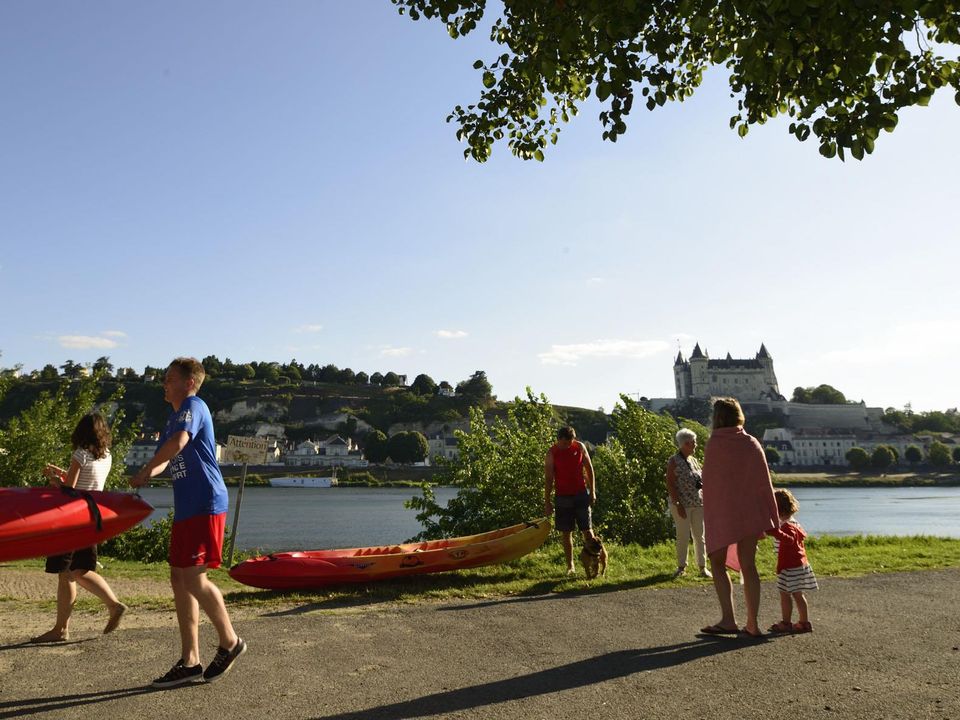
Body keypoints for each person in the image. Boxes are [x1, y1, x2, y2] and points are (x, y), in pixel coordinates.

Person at [131, 358, 246, 688]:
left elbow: (180, 442)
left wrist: (148, 468)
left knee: (194, 577)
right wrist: (146, 474)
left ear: (189, 383)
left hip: (205, 501)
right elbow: (165, 458)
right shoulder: (172, 419)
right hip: (187, 507)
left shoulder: (193, 407)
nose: (164, 384)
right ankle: (190, 660)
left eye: (170, 379)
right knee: (179, 577)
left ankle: (230, 641)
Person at [30, 413, 127, 643]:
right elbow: (87, 484)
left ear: (81, 431)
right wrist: (64, 473)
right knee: (79, 570)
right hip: (91, 518)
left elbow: (69, 491)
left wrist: (54, 479)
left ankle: (62, 629)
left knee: (66, 573)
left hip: (72, 520)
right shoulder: (106, 456)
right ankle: (112, 605)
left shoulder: (80, 454)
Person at [700, 397, 779, 637]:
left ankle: (728, 619)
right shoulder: (751, 443)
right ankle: (753, 623)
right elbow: (763, 482)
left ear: (717, 418)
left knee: (716, 563)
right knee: (749, 565)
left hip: (723, 512)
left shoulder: (715, 444)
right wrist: (771, 513)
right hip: (749, 513)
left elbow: (710, 483)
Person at [544, 426, 597, 574]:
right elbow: (548, 479)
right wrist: (547, 501)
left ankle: (594, 561)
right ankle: (570, 566)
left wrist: (592, 491)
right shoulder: (551, 453)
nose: (567, 445)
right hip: (562, 497)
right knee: (566, 532)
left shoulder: (579, 447)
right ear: (558, 439)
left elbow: (589, 469)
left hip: (581, 494)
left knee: (587, 530)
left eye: (570, 442)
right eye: (565, 443)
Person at [767, 489, 818, 633]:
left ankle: (787, 623)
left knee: (786, 594)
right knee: (797, 594)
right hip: (798, 564)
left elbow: (789, 540)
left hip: (789, 566)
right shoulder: (794, 523)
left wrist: (775, 532)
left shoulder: (787, 526)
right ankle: (803, 622)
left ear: (778, 509)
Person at [666, 428, 710, 578]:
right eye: (693, 442)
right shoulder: (673, 461)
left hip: (697, 503)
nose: (696, 445)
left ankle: (703, 567)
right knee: (683, 535)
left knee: (700, 536)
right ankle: (681, 567)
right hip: (682, 505)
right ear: (685, 444)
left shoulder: (694, 460)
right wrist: (678, 504)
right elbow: (670, 484)